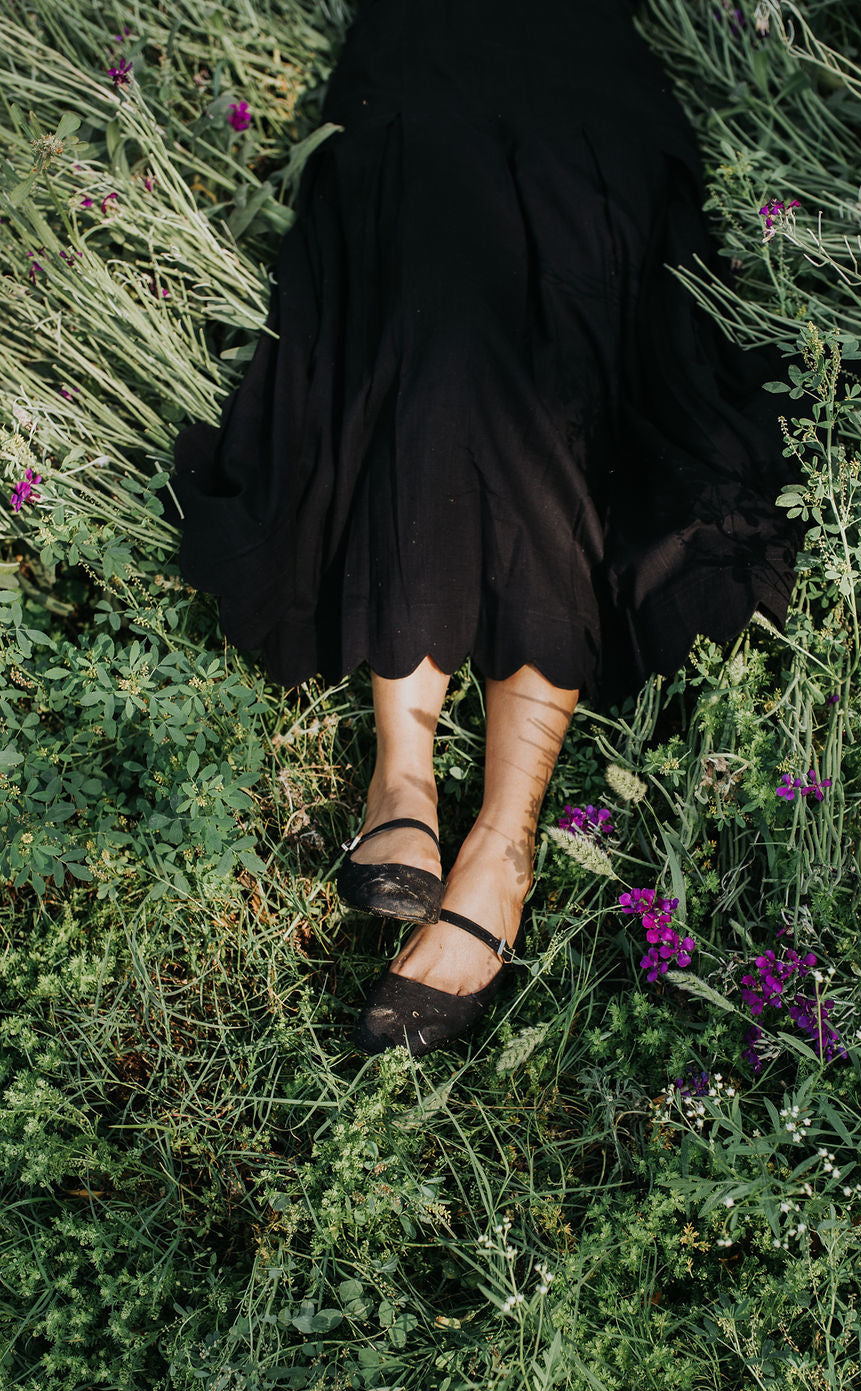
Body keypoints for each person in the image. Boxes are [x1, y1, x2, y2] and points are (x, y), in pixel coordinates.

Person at [163, 0, 805, 1057]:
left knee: (562, 365)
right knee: (436, 345)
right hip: (418, 61)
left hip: (582, 80)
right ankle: (410, 781)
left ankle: (493, 837)